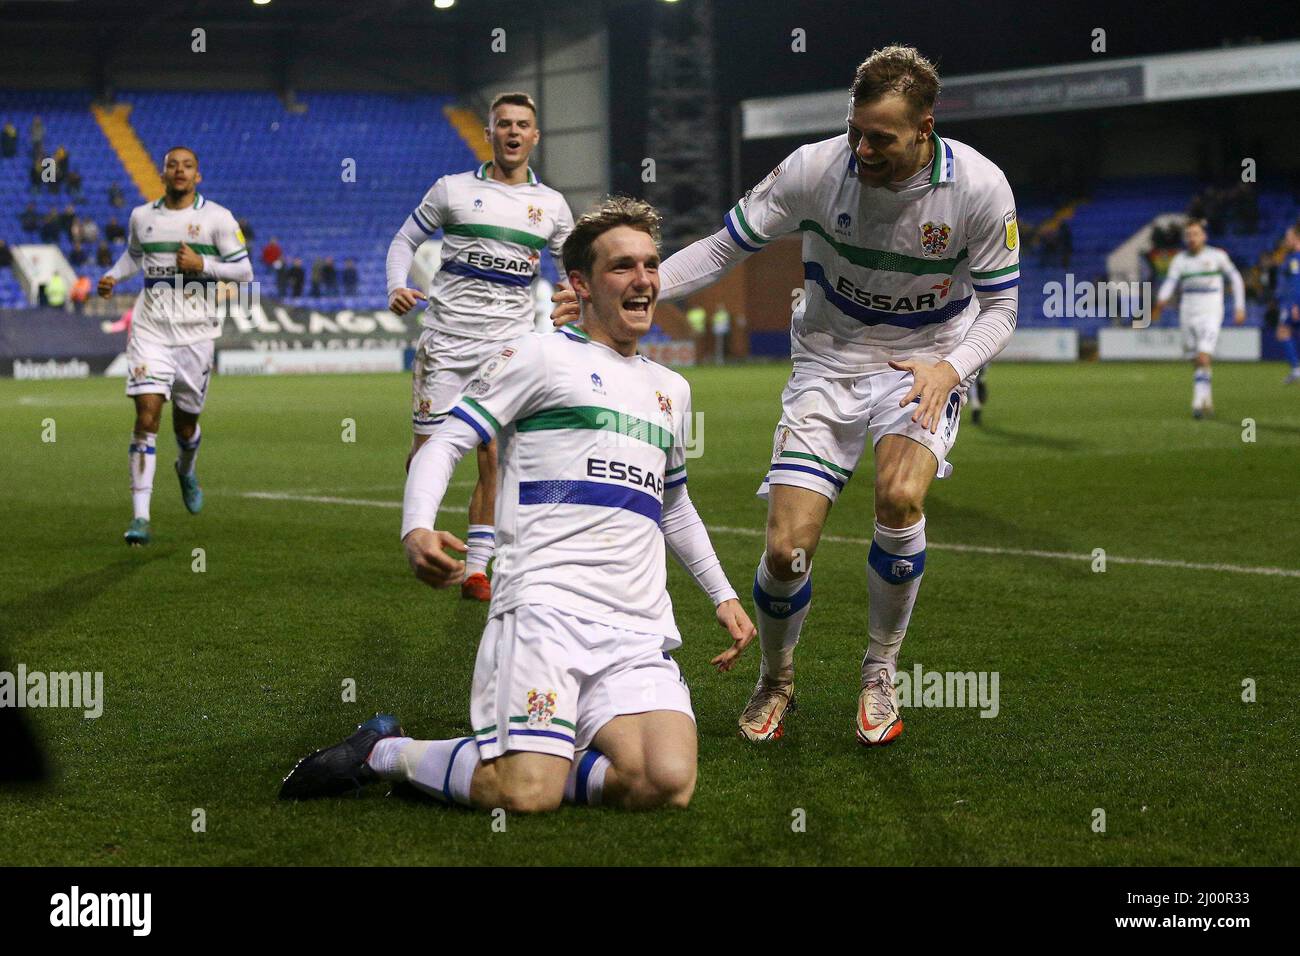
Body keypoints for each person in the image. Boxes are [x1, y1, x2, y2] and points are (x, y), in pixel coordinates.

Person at [554, 45, 1020, 746]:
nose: (861, 147)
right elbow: (720, 249)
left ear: (926, 128)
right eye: (855, 129)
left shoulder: (981, 190)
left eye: (881, 138)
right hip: (826, 363)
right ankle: (777, 678)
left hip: (922, 362)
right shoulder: (814, 167)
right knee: (784, 553)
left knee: (898, 498)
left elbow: (1003, 308)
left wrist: (951, 370)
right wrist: (634, 287)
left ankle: (880, 669)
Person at [280, 197, 756, 811]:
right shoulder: (540, 355)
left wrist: (722, 595)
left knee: (664, 783)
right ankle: (383, 752)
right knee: (525, 795)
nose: (643, 280)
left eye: (651, 264)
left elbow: (673, 504)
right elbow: (448, 438)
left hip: (637, 628)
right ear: (580, 284)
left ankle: (544, 749)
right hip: (545, 610)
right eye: (622, 267)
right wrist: (416, 527)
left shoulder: (672, 389)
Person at [386, 91, 574, 603]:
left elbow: (573, 267)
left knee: (492, 453)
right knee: (427, 453)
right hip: (445, 342)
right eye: (503, 124)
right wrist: (395, 286)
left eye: (522, 125)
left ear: (535, 136)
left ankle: (476, 568)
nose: (513, 132)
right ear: (488, 133)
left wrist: (572, 296)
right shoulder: (451, 190)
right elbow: (403, 240)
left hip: (508, 345)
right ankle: (419, 527)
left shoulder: (552, 206)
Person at [97, 146, 252, 546]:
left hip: (196, 334)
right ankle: (141, 518)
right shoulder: (142, 217)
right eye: (172, 165)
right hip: (151, 330)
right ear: (162, 173)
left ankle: (185, 469)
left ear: (197, 176)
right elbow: (133, 256)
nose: (179, 171)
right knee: (147, 416)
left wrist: (204, 266)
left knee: (185, 424)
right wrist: (114, 275)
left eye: (187, 166)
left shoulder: (217, 218)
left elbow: (244, 270)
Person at [1152, 219, 1245, 417]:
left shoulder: (1217, 256)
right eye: (1188, 235)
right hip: (1187, 312)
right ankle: (1207, 400)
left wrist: (1239, 307)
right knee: (1196, 359)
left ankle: (1197, 403)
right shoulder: (1180, 260)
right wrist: (1160, 301)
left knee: (1203, 355)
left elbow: (1235, 278)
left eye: (1195, 234)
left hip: (1211, 311)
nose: (1191, 238)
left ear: (1204, 236)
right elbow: (1170, 282)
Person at [1275, 226, 1300, 384]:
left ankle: (1296, 369)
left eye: (1288, 237)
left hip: (1292, 303)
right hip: (1289, 302)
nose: (1286, 240)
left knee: (1283, 332)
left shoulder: (1295, 259)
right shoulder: (1291, 257)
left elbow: (1297, 282)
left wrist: (1296, 304)